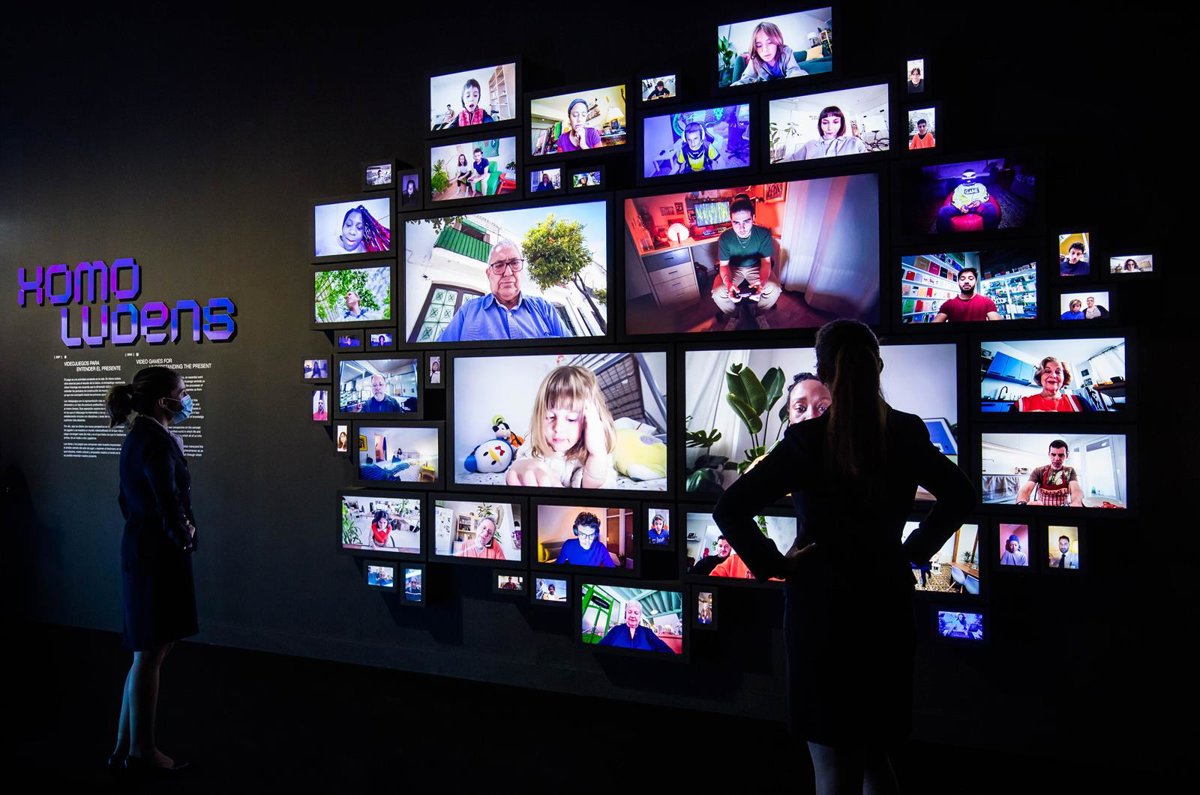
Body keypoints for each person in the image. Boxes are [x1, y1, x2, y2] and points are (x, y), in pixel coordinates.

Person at [712, 319, 975, 795]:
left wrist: (776, 564)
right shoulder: (907, 431)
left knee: (833, 767)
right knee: (875, 754)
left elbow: (729, 508)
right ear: (878, 367)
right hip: (886, 604)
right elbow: (961, 496)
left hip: (821, 611)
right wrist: (915, 550)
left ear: (824, 374)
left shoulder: (806, 441)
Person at [105, 367, 199, 773]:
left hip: (143, 551)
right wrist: (185, 535)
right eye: (182, 392)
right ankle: (142, 751)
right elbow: (167, 499)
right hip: (157, 557)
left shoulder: (139, 436)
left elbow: (127, 500)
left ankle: (125, 746)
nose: (187, 399)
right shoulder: (155, 442)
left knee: (146, 652)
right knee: (151, 654)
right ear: (165, 401)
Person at [507, 365, 618, 488]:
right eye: (550, 417)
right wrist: (524, 466)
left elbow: (592, 486)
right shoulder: (534, 441)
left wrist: (596, 454)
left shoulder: (598, 452)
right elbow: (518, 465)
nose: (558, 428)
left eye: (571, 418)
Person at [439, 240, 568, 342]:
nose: (508, 272)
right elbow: (437, 359)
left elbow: (572, 357)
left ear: (522, 270)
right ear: (489, 274)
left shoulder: (544, 308)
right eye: (499, 265)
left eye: (514, 263)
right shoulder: (468, 311)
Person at [712, 198, 782, 319]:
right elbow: (724, 265)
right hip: (733, 268)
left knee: (774, 289)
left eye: (746, 221)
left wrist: (762, 282)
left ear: (753, 218)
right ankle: (734, 315)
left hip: (756, 267)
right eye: (736, 223)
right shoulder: (725, 237)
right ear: (731, 221)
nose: (742, 228)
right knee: (717, 293)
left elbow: (766, 262)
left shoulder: (764, 233)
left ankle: (759, 313)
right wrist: (728, 284)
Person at [730, 21, 807, 85]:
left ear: (777, 41)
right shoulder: (755, 59)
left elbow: (794, 71)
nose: (765, 50)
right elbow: (747, 79)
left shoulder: (786, 51)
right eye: (759, 45)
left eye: (770, 42)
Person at [1016, 440, 1085, 507]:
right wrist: (1021, 503)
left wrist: (1076, 503)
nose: (1057, 458)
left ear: (1066, 455)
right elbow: (1026, 490)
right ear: (1049, 454)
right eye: (1053, 454)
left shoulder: (1070, 471)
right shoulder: (1039, 471)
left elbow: (1076, 490)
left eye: (1061, 455)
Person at [789, 106, 866, 160]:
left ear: (841, 123)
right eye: (825, 123)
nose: (830, 128)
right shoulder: (810, 145)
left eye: (835, 122)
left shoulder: (855, 142)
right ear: (820, 124)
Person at [1012, 357, 1086, 413]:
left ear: (1064, 378)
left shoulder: (1079, 402)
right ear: (1040, 376)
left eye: (1058, 372)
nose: (1053, 375)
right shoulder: (1020, 405)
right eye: (1047, 371)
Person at [597, 600, 673, 652]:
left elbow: (666, 650)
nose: (632, 615)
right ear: (626, 614)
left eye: (636, 613)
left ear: (640, 616)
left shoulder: (648, 632)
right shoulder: (616, 629)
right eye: (629, 612)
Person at [316, 205, 390, 256]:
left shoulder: (366, 249)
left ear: (363, 232)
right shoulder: (325, 243)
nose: (352, 232)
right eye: (348, 225)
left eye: (359, 227)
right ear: (343, 226)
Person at [932, 268, 1000, 322]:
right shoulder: (948, 304)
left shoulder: (987, 302)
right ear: (958, 282)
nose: (966, 281)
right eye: (962, 279)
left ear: (975, 281)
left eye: (971, 279)